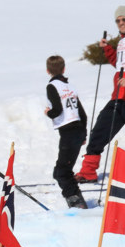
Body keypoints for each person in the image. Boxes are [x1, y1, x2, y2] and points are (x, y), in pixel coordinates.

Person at [75, 6, 125, 183]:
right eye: (118, 20)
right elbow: (120, 65)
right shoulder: (123, 40)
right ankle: (88, 171)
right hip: (119, 95)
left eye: (124, 19)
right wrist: (108, 49)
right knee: (99, 131)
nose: (121, 23)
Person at [44, 55, 88, 208]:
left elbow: (57, 110)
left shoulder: (52, 86)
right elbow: (82, 114)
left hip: (69, 132)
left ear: (47, 70)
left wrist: (48, 113)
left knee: (61, 172)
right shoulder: (69, 86)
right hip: (78, 130)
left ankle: (76, 203)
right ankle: (78, 200)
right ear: (63, 69)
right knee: (65, 171)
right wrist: (84, 133)